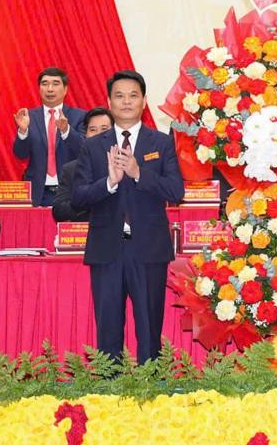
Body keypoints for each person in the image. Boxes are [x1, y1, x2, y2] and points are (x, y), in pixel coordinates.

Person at [73, 70, 184, 363]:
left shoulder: (160, 143)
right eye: (119, 96)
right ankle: (109, 393)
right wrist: (108, 183)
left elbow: (175, 191)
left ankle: (152, 393)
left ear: (144, 101)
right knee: (108, 331)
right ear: (109, 101)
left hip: (148, 250)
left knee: (149, 329)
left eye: (133, 95)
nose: (126, 102)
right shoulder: (93, 145)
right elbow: (78, 197)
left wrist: (138, 173)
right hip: (106, 249)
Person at [12, 67, 87, 207]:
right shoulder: (29, 117)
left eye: (55, 83)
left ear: (65, 90)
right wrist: (23, 132)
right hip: (39, 193)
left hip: (70, 191)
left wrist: (66, 130)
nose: (50, 89)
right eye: (45, 84)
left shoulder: (79, 116)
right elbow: (20, 154)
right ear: (39, 89)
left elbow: (84, 151)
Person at [52, 107, 114, 222]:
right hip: (83, 235)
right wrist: (88, 202)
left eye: (104, 129)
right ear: (85, 134)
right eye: (93, 129)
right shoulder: (71, 169)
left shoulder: (125, 166)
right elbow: (59, 211)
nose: (98, 135)